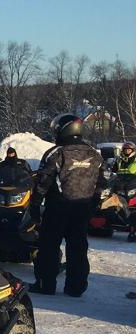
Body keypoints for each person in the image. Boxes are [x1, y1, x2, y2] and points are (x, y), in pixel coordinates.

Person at [31, 114, 105, 297]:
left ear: (64, 129)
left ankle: (45, 284)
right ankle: (76, 286)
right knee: (78, 247)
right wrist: (93, 203)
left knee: (49, 246)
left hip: (58, 208)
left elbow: (43, 181)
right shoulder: (94, 154)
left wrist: (34, 204)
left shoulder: (56, 153)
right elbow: (103, 181)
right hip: (82, 208)